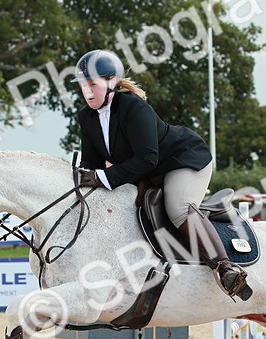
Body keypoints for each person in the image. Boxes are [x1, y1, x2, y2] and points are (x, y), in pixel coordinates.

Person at [72, 49, 250, 300]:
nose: (88, 92)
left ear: (111, 82)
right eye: (83, 85)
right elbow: (92, 163)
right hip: (147, 172)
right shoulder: (86, 117)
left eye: (93, 84)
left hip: (182, 160)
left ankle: (226, 267)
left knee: (178, 208)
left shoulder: (133, 107)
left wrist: (103, 178)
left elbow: (147, 158)